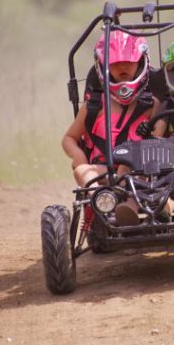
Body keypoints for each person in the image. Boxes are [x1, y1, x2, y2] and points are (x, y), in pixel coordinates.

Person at [61, 30, 153, 225]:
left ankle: (128, 210)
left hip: (139, 173)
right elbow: (69, 138)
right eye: (114, 63)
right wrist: (79, 156)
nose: (122, 68)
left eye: (128, 61)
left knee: (146, 174)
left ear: (141, 62)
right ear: (103, 66)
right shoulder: (94, 105)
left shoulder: (152, 105)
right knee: (81, 170)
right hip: (104, 173)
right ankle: (102, 203)